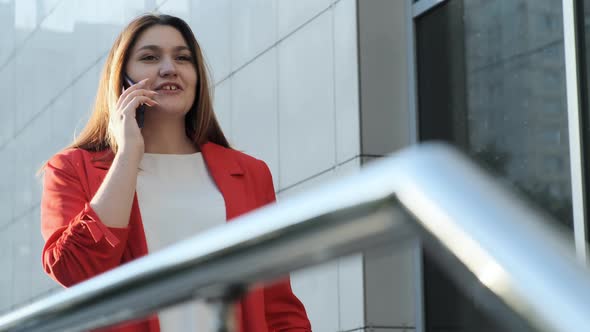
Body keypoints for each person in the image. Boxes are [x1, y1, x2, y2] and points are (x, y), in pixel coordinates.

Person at [39, 13, 311, 332]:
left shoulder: (250, 173)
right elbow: (75, 271)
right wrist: (127, 154)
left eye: (183, 58)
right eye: (150, 57)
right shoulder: (72, 168)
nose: (170, 68)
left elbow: (277, 306)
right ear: (122, 78)